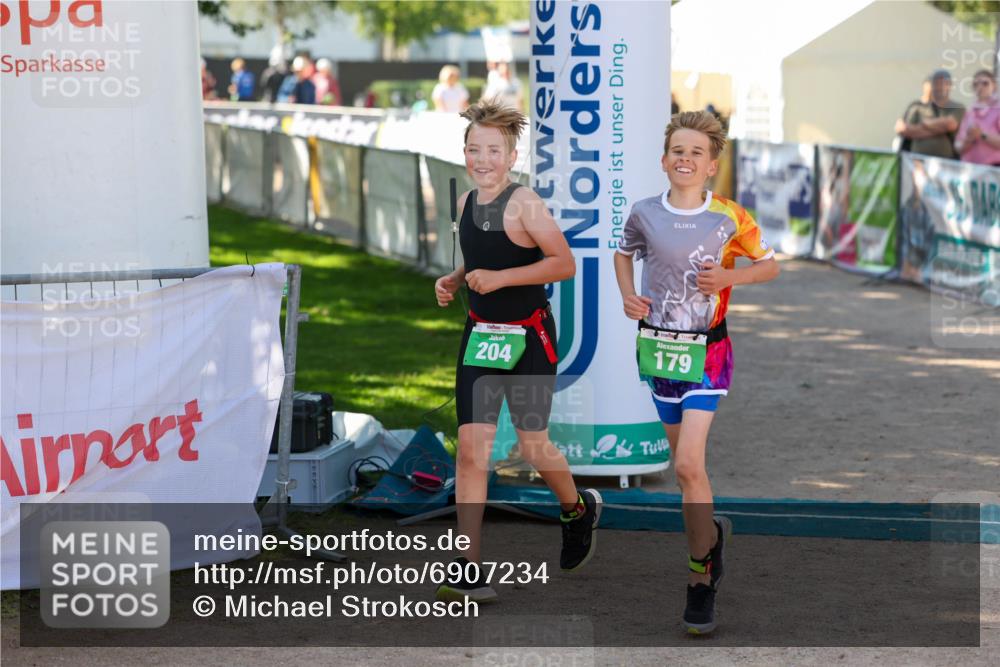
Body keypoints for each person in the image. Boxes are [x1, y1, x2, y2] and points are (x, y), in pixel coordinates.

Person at [613, 111, 780, 634]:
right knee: (685, 468)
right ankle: (710, 542)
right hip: (658, 351)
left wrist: (731, 275)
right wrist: (627, 297)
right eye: (677, 151)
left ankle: (699, 578)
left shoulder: (730, 216)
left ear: (711, 166)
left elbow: (770, 265)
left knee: (687, 466)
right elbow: (623, 255)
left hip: (707, 353)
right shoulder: (643, 212)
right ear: (664, 161)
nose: (686, 159)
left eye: (697, 153)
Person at [433, 99, 602, 603]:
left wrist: (502, 278)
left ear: (510, 155)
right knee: (470, 450)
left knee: (532, 445)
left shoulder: (525, 202)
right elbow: (481, 257)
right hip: (481, 336)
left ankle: (576, 509)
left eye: (492, 150)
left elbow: (563, 264)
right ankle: (469, 567)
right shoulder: (465, 203)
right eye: (473, 149)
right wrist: (456, 278)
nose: (481, 159)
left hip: (528, 337)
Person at [895, 70, 965, 159]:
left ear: (950, 85)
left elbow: (950, 124)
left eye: (943, 83)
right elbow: (903, 129)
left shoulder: (957, 107)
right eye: (936, 84)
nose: (939, 87)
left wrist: (926, 123)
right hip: (916, 162)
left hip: (947, 162)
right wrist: (939, 129)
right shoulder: (918, 106)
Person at [955, 69, 1000, 166]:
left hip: (993, 171)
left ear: (994, 86)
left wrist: (982, 135)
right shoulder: (969, 113)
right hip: (970, 170)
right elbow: (958, 146)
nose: (980, 87)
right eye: (976, 84)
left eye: (985, 83)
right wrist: (968, 140)